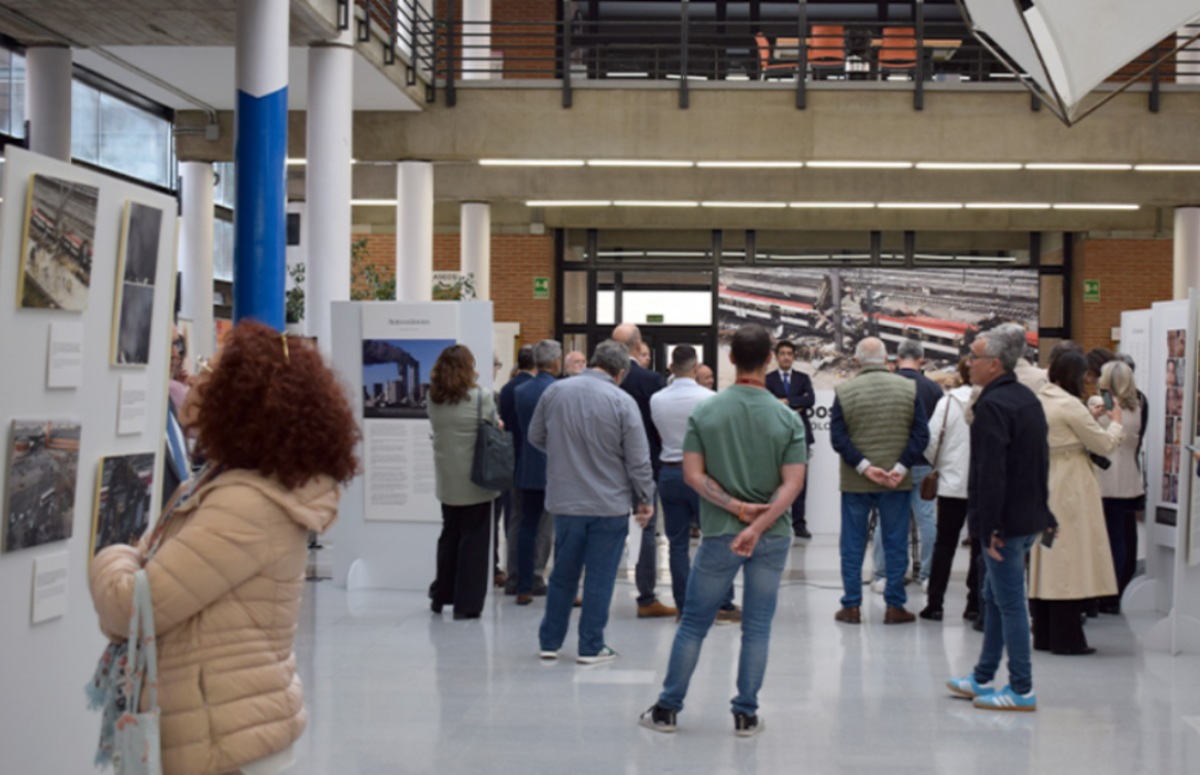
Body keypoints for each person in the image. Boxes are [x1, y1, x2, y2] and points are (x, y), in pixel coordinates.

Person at [90, 321, 358, 774]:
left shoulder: (245, 503)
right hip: (226, 725)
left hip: (224, 741)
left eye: (209, 373)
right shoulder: (239, 484)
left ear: (240, 404)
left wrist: (110, 553)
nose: (195, 382)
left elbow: (130, 607)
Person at [640, 324, 806, 737]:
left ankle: (667, 709)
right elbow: (792, 485)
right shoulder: (787, 418)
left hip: (719, 533)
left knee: (695, 622)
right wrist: (760, 523)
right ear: (770, 359)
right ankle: (746, 713)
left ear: (730, 359)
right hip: (773, 535)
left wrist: (737, 510)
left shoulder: (706, 411)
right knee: (758, 626)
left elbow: (694, 476)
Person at [946, 323, 1055, 712]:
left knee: (1010, 605)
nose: (968, 363)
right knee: (993, 597)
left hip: (1003, 526)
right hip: (1026, 518)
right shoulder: (1026, 398)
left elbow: (991, 473)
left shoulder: (992, 406)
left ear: (993, 364)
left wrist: (988, 527)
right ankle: (982, 676)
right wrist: (1045, 510)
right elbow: (1039, 462)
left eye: (974, 357)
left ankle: (1022, 688)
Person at [530, 339, 656, 663]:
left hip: (566, 502)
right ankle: (590, 645)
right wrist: (644, 497)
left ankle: (549, 642)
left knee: (562, 575)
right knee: (599, 578)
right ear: (621, 372)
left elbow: (535, 436)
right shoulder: (622, 401)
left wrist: (563, 457)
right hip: (608, 505)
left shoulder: (555, 392)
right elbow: (638, 459)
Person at [1029, 349, 1122, 654]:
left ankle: (1043, 632)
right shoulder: (1070, 405)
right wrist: (1116, 421)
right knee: (1069, 557)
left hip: (1045, 481)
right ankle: (1067, 637)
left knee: (1047, 551)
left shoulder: (1041, 399)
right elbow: (1104, 444)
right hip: (1070, 486)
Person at [831, 337, 929, 625]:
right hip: (895, 482)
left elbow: (838, 437)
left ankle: (851, 606)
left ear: (857, 361)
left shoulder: (845, 390)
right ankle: (894, 606)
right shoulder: (908, 388)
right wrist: (899, 467)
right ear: (888, 359)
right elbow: (921, 435)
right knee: (895, 541)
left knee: (852, 543)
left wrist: (864, 467)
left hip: (856, 482)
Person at [649, 345, 740, 624]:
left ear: (671, 366)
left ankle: (684, 606)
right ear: (695, 365)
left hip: (669, 474)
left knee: (676, 544)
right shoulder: (709, 398)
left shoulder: (657, 399)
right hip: (702, 476)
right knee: (716, 539)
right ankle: (721, 603)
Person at [427, 345, 501, 620]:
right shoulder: (482, 397)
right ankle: (467, 604)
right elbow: (493, 426)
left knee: (449, 536)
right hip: (476, 480)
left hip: (447, 479)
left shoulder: (433, 397)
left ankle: (440, 595)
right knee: (475, 542)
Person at [612, 323, 676, 619]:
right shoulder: (650, 380)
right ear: (639, 346)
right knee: (646, 529)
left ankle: (593, 588)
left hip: (609, 465)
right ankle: (647, 597)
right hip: (646, 463)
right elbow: (659, 423)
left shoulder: (608, 379)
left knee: (606, 527)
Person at [871, 339, 942, 591]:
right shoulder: (934, 389)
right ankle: (928, 576)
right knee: (927, 520)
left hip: (892, 466)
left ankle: (882, 574)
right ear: (922, 359)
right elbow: (937, 431)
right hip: (923, 464)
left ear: (897, 359)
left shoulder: (885, 386)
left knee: (886, 520)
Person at [919, 357, 981, 622]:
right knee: (979, 547)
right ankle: (974, 604)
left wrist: (940, 464)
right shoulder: (992, 401)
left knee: (944, 544)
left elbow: (930, 440)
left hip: (951, 484)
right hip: (982, 486)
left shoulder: (947, 403)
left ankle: (935, 603)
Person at [1089, 360, 1144, 615]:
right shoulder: (1138, 406)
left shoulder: (1108, 406)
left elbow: (1100, 436)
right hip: (1128, 478)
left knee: (1108, 538)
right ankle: (1117, 590)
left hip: (1106, 478)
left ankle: (1106, 594)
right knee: (1121, 535)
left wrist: (1094, 415)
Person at [514, 340, 562, 604]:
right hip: (556, 467)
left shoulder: (521, 391)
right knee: (562, 530)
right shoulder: (559, 390)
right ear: (555, 363)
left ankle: (523, 586)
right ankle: (559, 586)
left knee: (526, 527)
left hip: (528, 465)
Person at [498, 346, 549, 595]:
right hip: (535, 464)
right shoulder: (540, 391)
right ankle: (534, 576)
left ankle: (514, 575)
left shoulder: (507, 390)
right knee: (539, 524)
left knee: (516, 521)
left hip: (511, 461)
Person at [764, 339, 815, 540]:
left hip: (800, 436)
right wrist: (795, 403)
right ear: (776, 357)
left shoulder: (803, 378)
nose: (786, 357)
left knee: (800, 482)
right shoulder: (768, 379)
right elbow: (766, 403)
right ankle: (774, 520)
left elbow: (810, 400)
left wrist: (784, 401)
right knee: (775, 480)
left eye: (789, 353)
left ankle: (799, 523)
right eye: (782, 353)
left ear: (794, 357)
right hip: (775, 436)